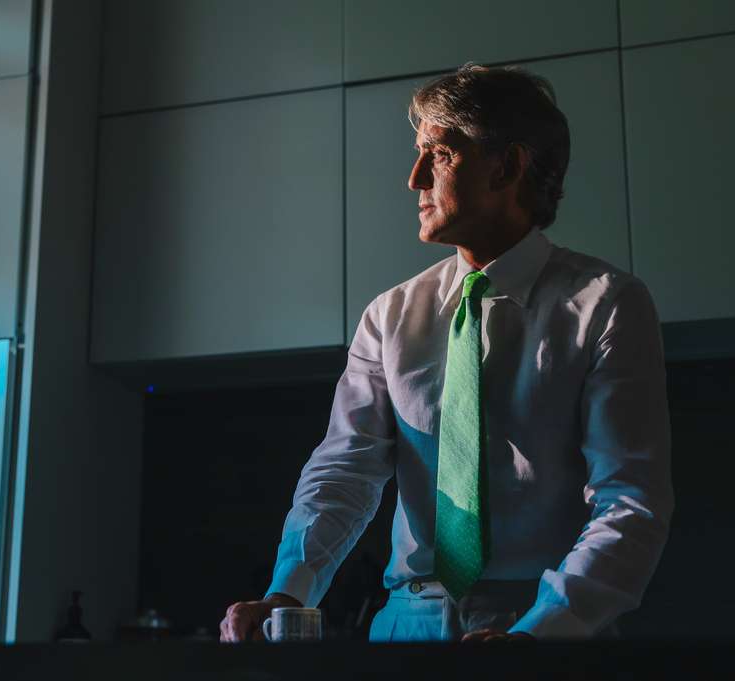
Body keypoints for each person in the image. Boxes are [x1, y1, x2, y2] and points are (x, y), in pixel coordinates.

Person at [220, 63, 673, 643]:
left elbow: (630, 502)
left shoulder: (607, 305)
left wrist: (541, 635)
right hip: (405, 628)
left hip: (543, 635)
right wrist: (287, 592)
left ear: (508, 167)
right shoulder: (391, 315)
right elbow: (345, 468)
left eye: (438, 153)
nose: (413, 179)